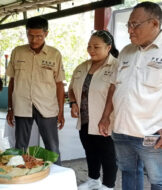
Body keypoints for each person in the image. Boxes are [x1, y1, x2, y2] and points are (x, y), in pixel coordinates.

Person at [98, 2, 162, 190]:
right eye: (128, 25)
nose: (130, 30)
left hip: (150, 132)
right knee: (128, 172)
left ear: (155, 24)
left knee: (158, 180)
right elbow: (113, 88)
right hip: (121, 129)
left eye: (135, 25)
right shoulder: (127, 51)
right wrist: (105, 116)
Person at [6, 16, 65, 165]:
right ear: (26, 33)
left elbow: (59, 84)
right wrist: (10, 108)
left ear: (46, 33)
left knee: (52, 147)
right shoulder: (17, 52)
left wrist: (61, 111)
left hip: (47, 106)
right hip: (21, 105)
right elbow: (12, 81)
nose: (34, 40)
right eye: (30, 35)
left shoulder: (55, 54)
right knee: (20, 146)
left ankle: (58, 177)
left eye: (38, 36)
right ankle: (19, 175)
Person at [68, 30, 118, 190]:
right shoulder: (82, 67)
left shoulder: (117, 66)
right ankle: (93, 180)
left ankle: (108, 185)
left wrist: (106, 117)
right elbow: (71, 89)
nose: (91, 50)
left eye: (96, 47)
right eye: (89, 46)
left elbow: (116, 94)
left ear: (108, 47)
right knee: (90, 151)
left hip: (105, 119)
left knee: (108, 155)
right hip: (85, 119)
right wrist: (73, 103)